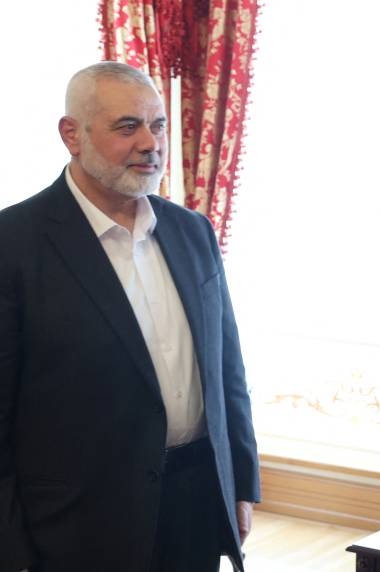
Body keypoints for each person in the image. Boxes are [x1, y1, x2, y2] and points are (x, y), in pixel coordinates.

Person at [0, 62, 260, 572]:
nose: (150, 143)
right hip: (76, 524)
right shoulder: (14, 244)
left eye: (157, 125)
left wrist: (240, 483)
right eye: (127, 127)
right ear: (71, 135)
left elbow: (227, 369)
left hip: (194, 503)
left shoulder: (192, 231)